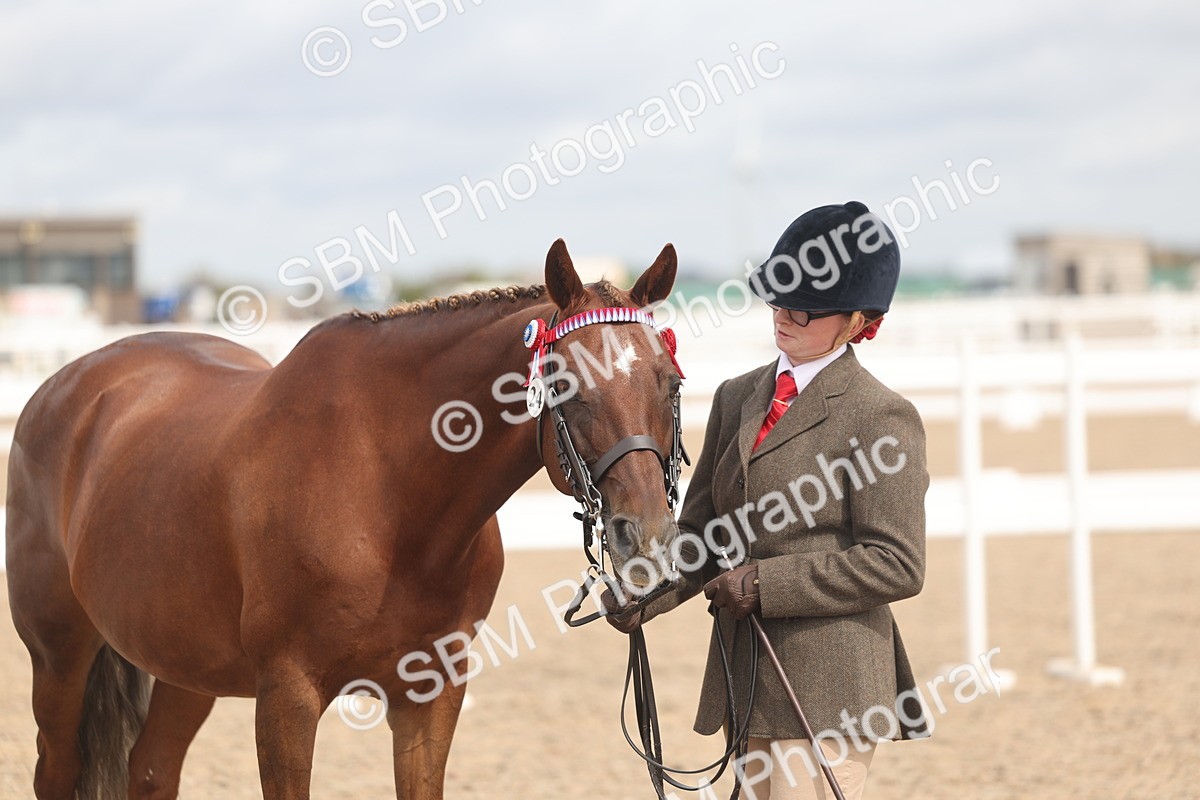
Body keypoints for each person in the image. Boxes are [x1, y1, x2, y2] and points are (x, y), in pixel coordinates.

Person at [603, 201, 930, 800]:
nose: (782, 314)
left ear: (858, 321)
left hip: (831, 683)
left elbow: (898, 563)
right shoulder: (736, 398)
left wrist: (764, 584)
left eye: (804, 306)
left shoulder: (881, 416)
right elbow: (704, 537)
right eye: (778, 296)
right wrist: (643, 593)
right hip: (749, 674)